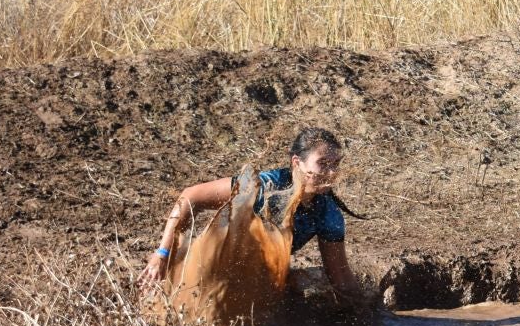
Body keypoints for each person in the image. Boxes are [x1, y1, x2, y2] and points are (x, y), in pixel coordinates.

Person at [137, 125, 367, 306]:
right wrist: (163, 253)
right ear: (297, 163)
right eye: (323, 164)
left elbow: (340, 278)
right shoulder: (263, 187)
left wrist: (371, 310)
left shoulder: (328, 213)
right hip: (214, 267)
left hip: (260, 280)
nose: (332, 173)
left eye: (336, 164)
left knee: (314, 283)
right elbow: (190, 196)